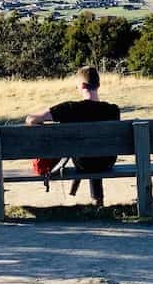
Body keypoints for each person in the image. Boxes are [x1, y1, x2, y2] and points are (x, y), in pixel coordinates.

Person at [25, 66, 120, 205]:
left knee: (87, 152)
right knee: (95, 149)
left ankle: (94, 199)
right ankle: (97, 200)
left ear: (81, 85)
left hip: (83, 163)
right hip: (107, 162)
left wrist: (29, 119)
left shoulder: (69, 108)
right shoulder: (113, 110)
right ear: (98, 85)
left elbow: (33, 120)